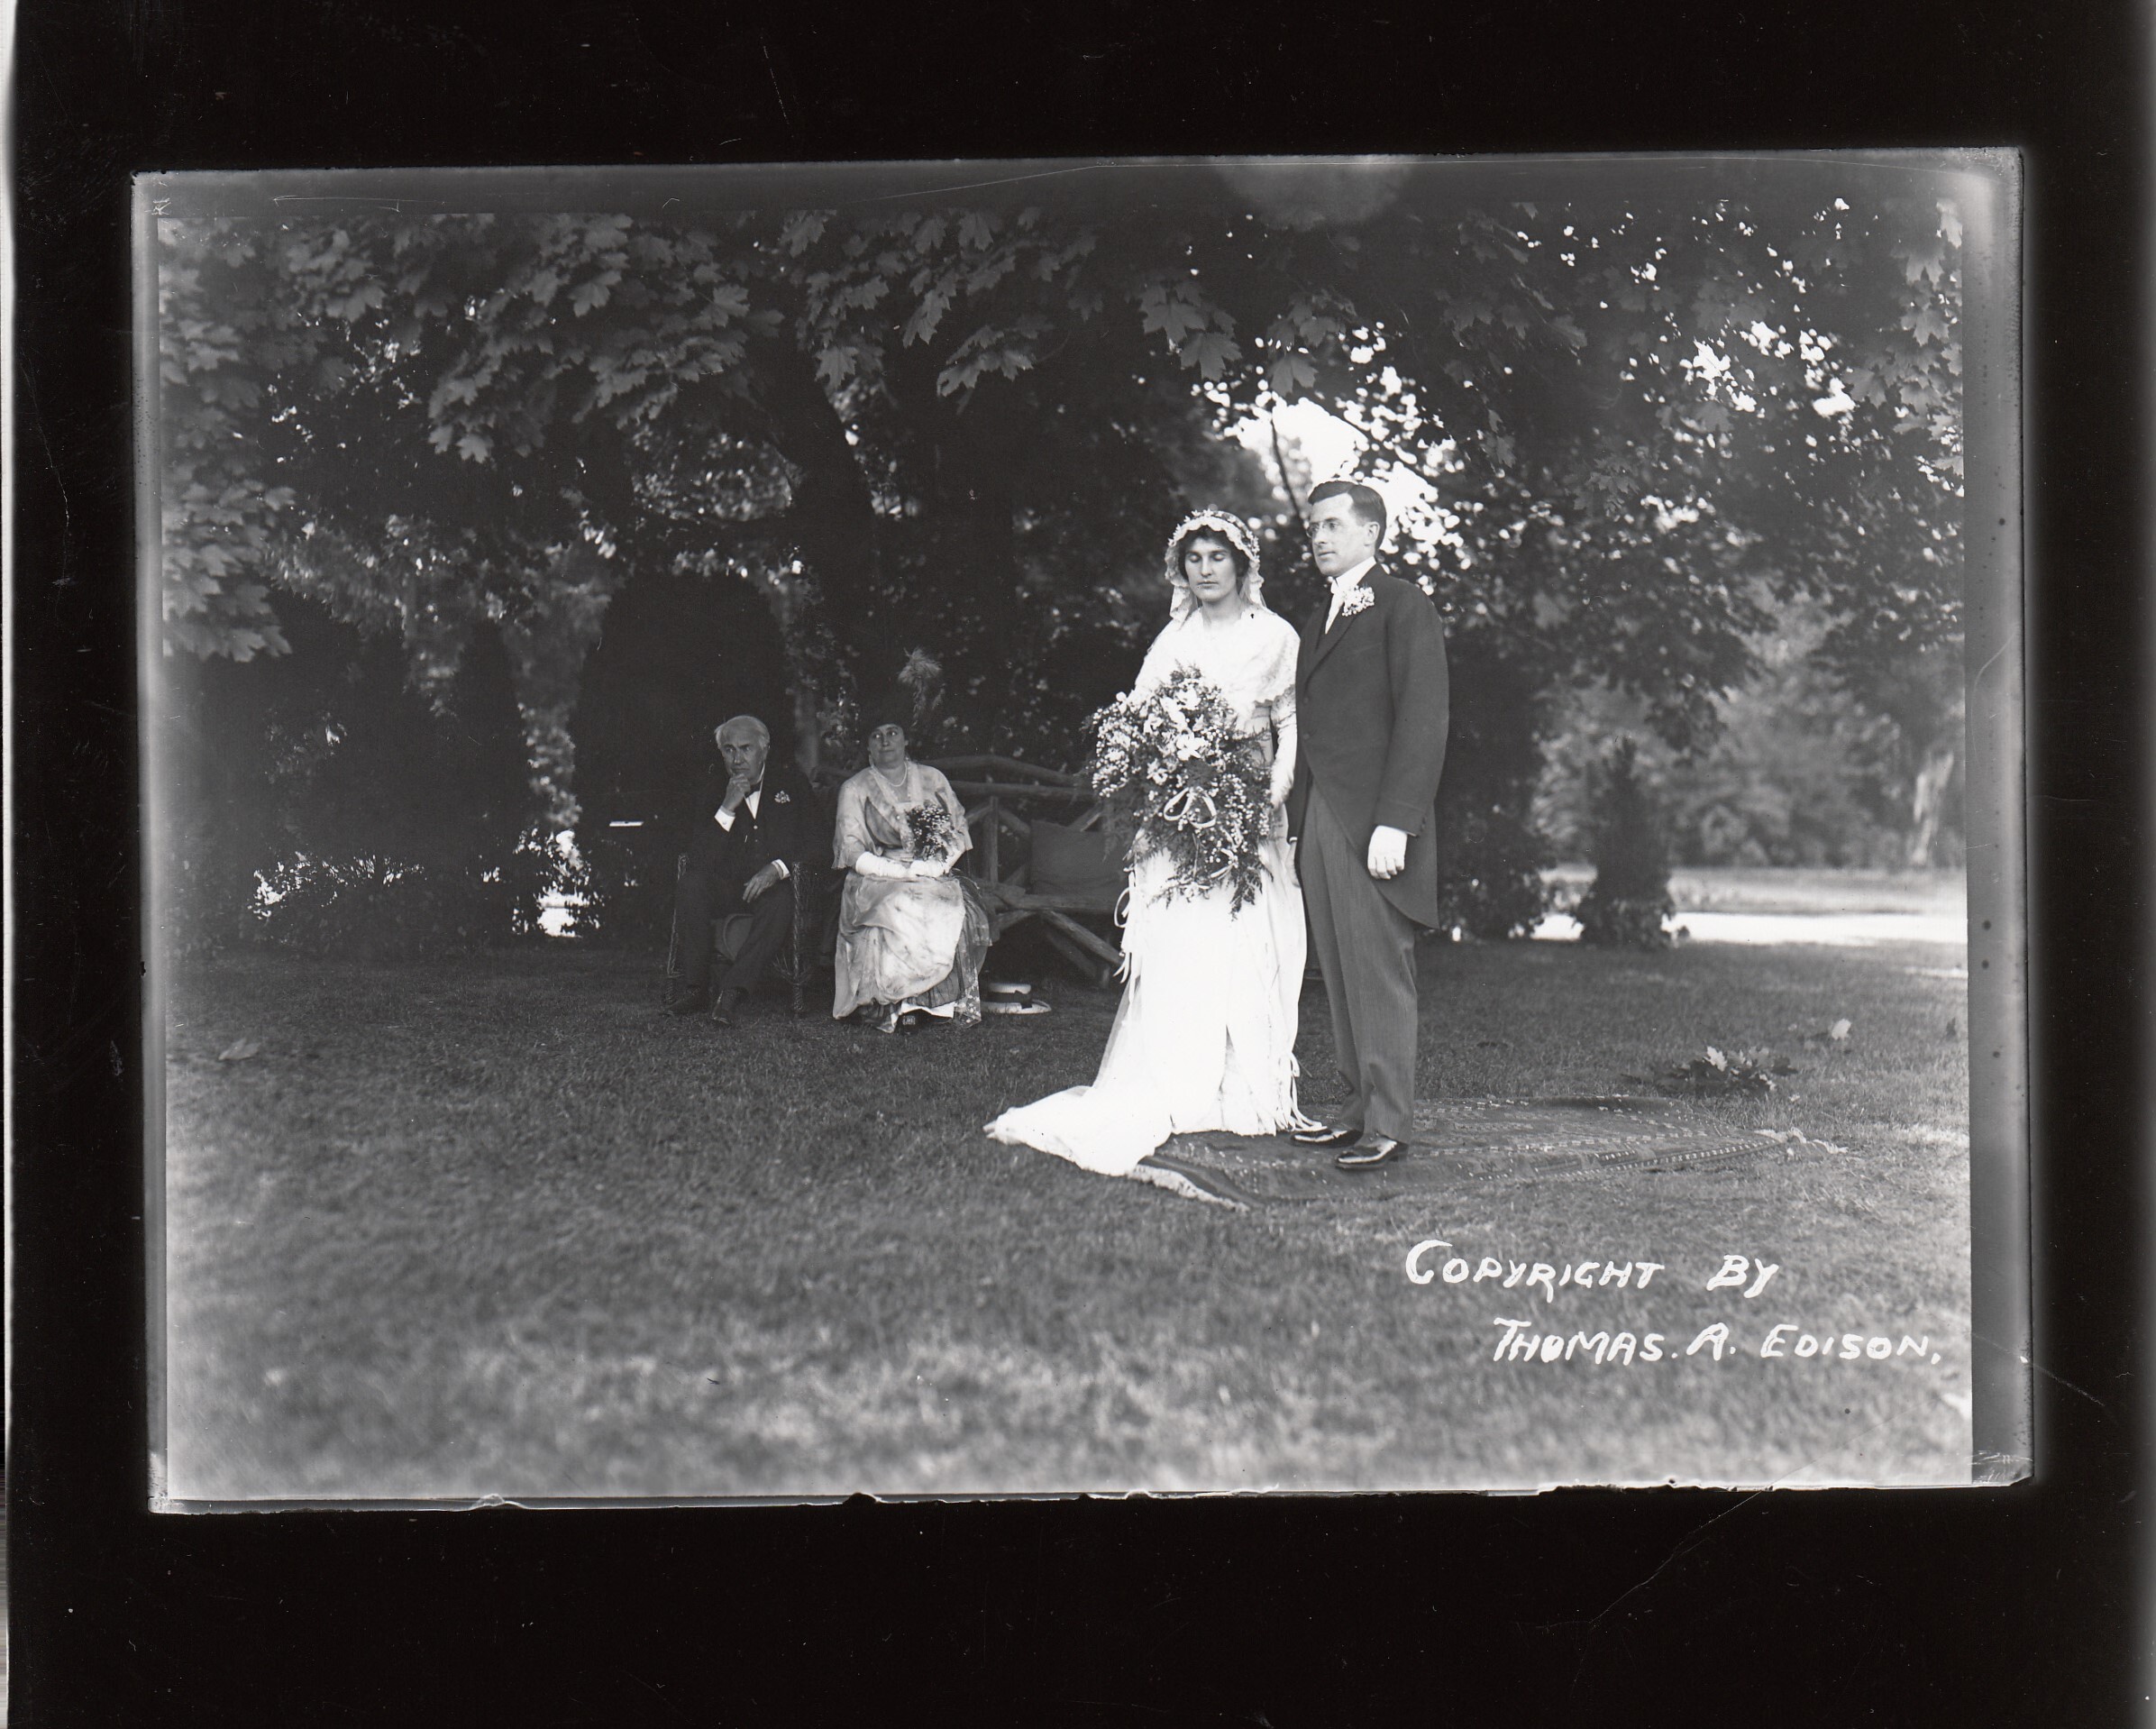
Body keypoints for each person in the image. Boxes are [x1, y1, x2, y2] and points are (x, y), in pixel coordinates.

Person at [985, 509, 1311, 1180]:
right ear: (1182, 570)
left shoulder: (1276, 636)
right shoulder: (1174, 638)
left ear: (1242, 565)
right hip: (1179, 821)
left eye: (1218, 556)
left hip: (1250, 816)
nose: (1207, 569)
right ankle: (1175, 1084)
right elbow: (1141, 719)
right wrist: (1168, 791)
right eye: (1195, 558)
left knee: (1248, 947)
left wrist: (1267, 802)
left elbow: (1289, 722)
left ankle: (1242, 1092)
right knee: (1185, 952)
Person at [1285, 480, 1450, 1168]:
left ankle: (1389, 1121)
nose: (1319, 537)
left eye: (1331, 525)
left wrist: (1397, 824)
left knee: (1379, 970)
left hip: (1375, 817)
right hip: (1324, 810)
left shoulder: (1403, 603)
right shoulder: (1322, 611)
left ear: (1369, 534)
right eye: (1313, 527)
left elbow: (1423, 717)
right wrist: (1298, 822)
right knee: (1341, 969)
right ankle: (1355, 1109)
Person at [830, 680, 992, 1033]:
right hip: (877, 875)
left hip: (932, 870)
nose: (885, 741)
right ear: (867, 745)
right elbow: (852, 849)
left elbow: (958, 829)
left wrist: (936, 865)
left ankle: (940, 1004)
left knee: (950, 905)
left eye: (892, 732)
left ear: (906, 739)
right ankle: (899, 1005)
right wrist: (897, 872)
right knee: (896, 904)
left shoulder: (932, 779)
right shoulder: (855, 789)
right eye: (876, 735)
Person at [666, 715, 819, 1026]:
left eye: (745, 749)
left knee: (780, 899)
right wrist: (726, 808)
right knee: (692, 885)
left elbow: (818, 842)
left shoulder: (792, 783)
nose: (737, 759)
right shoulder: (711, 789)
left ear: (764, 749)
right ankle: (696, 989)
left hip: (772, 887)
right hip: (726, 888)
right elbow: (699, 858)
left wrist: (778, 868)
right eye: (729, 750)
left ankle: (732, 991)